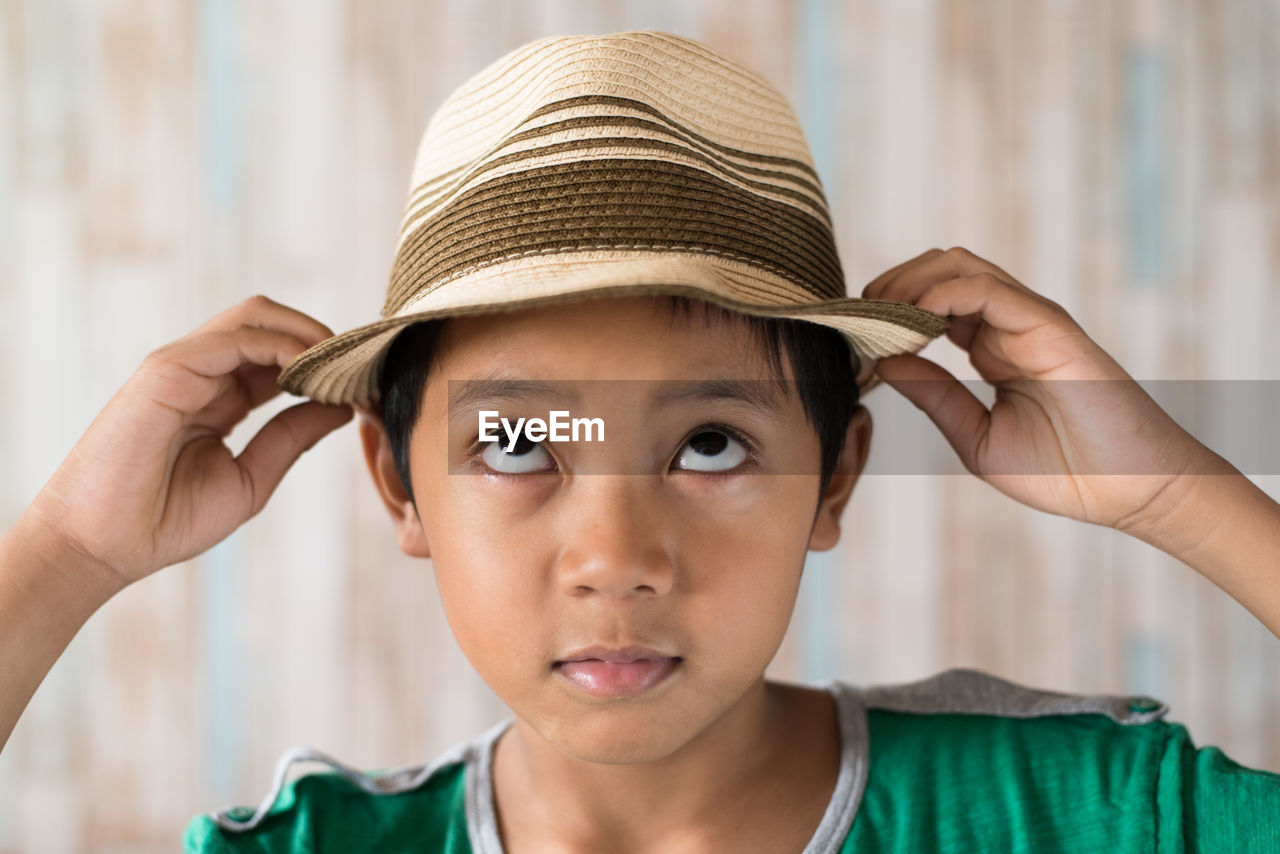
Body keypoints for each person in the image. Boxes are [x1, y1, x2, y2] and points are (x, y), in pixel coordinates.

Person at [2, 30, 1279, 854]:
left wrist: (1177, 494)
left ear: (832, 474)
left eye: (712, 444)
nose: (616, 557)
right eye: (516, 441)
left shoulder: (1082, 815)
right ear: (398, 483)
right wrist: (63, 552)